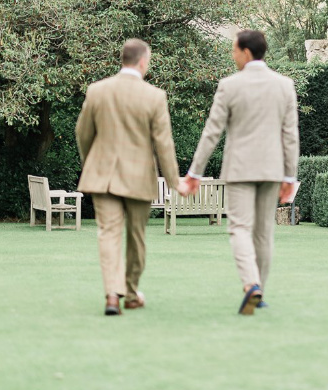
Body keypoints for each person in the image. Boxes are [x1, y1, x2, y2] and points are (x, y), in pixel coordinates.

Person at [177, 29, 299, 315]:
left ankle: (251, 284)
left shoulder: (229, 85)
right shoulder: (285, 85)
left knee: (240, 228)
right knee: (264, 232)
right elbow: (290, 135)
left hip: (240, 169)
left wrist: (195, 172)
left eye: (234, 50)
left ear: (246, 52)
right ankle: (261, 292)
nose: (232, 55)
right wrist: (290, 176)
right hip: (272, 170)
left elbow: (212, 133)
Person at [75, 38, 182, 316]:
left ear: (122, 59)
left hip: (103, 177)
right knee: (136, 238)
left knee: (108, 235)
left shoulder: (97, 90)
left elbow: (83, 134)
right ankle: (131, 293)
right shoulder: (154, 96)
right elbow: (164, 144)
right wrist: (174, 182)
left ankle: (113, 294)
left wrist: (92, 163)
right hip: (138, 179)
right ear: (143, 61)